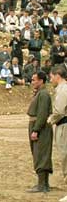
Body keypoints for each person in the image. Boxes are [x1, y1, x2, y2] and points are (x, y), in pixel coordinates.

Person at [26, 71, 53, 193]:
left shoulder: (43, 94)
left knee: (41, 154)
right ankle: (44, 183)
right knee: (38, 153)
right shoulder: (40, 93)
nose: (32, 82)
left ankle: (42, 184)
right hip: (36, 125)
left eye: (34, 80)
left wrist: (36, 130)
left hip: (40, 127)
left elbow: (42, 113)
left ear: (41, 81)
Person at [48, 67, 67, 202]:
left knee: (65, 155)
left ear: (57, 76)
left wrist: (49, 120)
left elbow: (59, 111)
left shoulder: (63, 90)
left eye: (51, 76)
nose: (50, 80)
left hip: (64, 125)